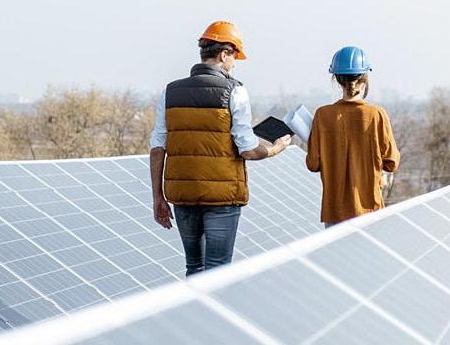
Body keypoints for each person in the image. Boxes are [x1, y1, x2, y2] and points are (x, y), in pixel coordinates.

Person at [149, 20, 291, 275]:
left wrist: (157, 196)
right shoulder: (234, 91)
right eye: (234, 56)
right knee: (218, 272)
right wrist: (275, 148)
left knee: (194, 267)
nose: (234, 63)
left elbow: (158, 146)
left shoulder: (170, 92)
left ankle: (193, 315)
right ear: (224, 53)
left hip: (183, 196)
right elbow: (247, 149)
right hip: (222, 198)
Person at [306, 46, 400, 227]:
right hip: (369, 210)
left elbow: (313, 164)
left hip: (334, 212)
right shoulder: (377, 115)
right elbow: (392, 162)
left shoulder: (322, 115)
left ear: (337, 80)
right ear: (365, 77)